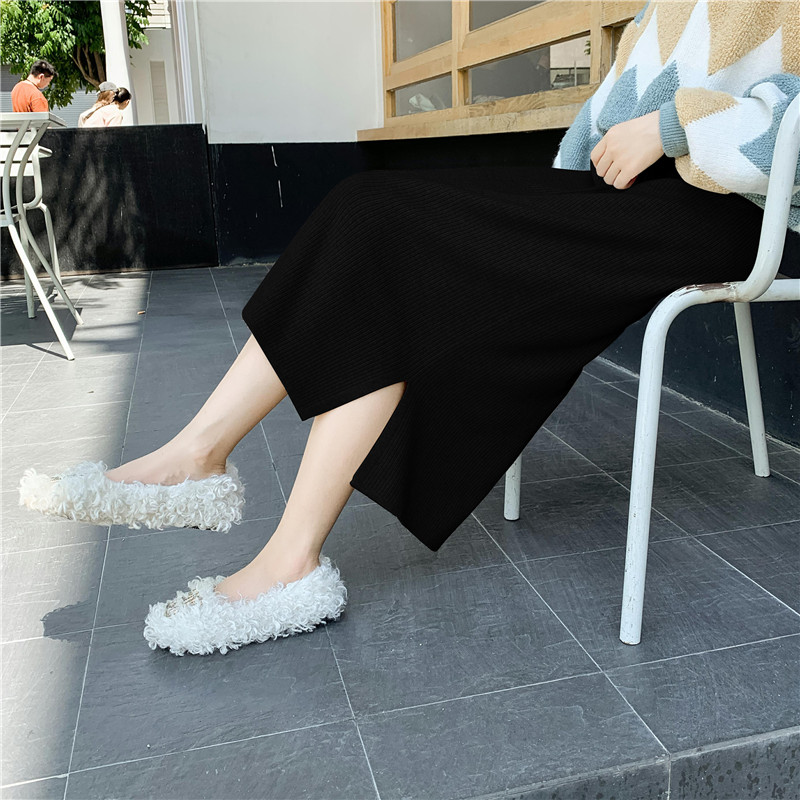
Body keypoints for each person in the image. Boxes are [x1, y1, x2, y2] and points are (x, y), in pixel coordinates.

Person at [20, 0, 800, 657]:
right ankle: (213, 470)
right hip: (616, 192)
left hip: (716, 207)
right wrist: (577, 174)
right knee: (369, 226)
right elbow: (621, 103)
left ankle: (252, 519)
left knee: (383, 231)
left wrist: (671, 127)